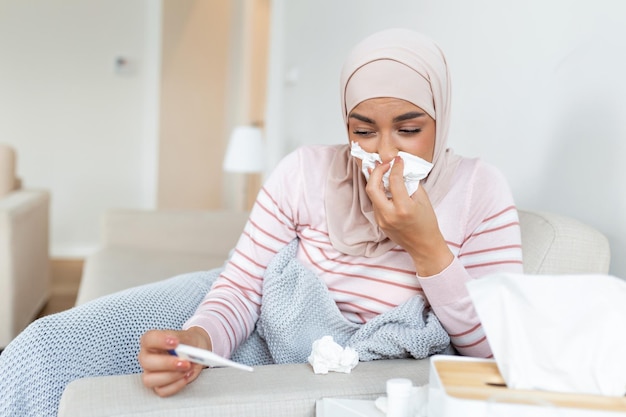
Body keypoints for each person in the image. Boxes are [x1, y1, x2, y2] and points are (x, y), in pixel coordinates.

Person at [0, 28, 523, 415]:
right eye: (363, 132)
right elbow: (242, 284)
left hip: (331, 362)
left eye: (408, 129)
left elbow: (494, 353)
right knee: (42, 352)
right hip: (254, 319)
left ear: (441, 117)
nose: (384, 153)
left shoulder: (480, 191)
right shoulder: (306, 171)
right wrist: (202, 339)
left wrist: (427, 247)